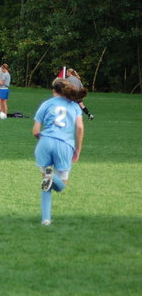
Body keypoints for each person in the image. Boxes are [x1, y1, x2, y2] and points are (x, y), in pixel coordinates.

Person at [32, 78, 86, 225]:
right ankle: (52, 177)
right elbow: (80, 127)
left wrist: (44, 140)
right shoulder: (74, 106)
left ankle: (46, 219)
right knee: (61, 185)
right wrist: (78, 149)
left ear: (54, 91)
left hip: (45, 142)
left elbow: (35, 131)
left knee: (46, 182)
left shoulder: (47, 104)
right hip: (64, 145)